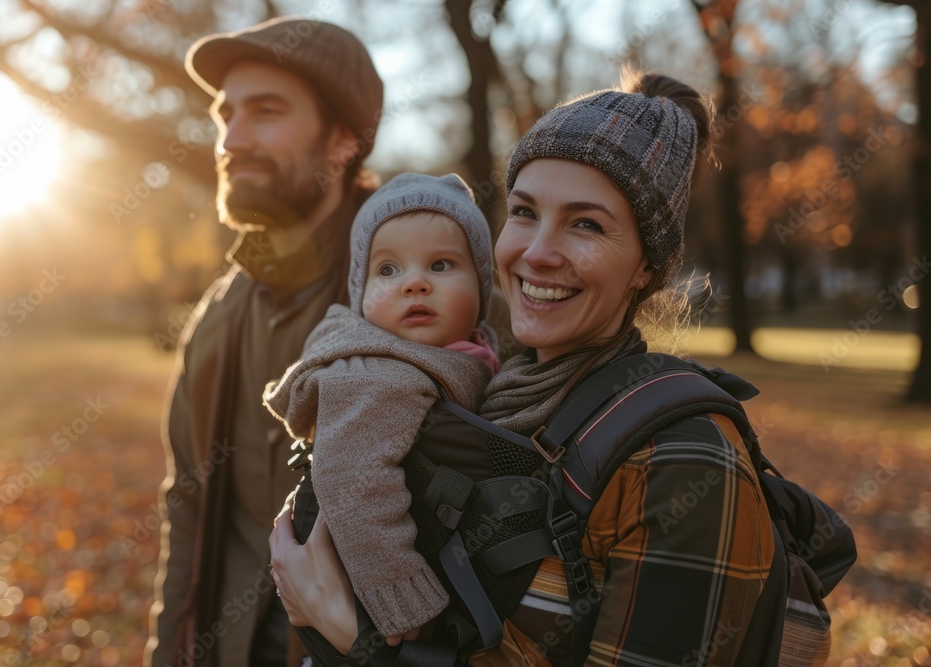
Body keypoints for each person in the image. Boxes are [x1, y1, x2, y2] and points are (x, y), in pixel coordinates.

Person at [268, 72, 776, 666]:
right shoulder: (472, 390)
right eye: (525, 212)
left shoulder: (685, 460)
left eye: (586, 223)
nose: (537, 252)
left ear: (646, 267)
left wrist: (354, 635)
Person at [144, 16, 384, 667]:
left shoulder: (416, 303)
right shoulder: (217, 316)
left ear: (342, 140)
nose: (232, 139)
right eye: (226, 115)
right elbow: (187, 506)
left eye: (266, 112)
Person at [263, 172, 499, 643]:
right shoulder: (383, 374)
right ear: (362, 295)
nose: (414, 283)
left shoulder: (469, 353)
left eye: (441, 265)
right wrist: (400, 593)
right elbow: (352, 472)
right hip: (371, 601)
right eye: (388, 270)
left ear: (482, 286)